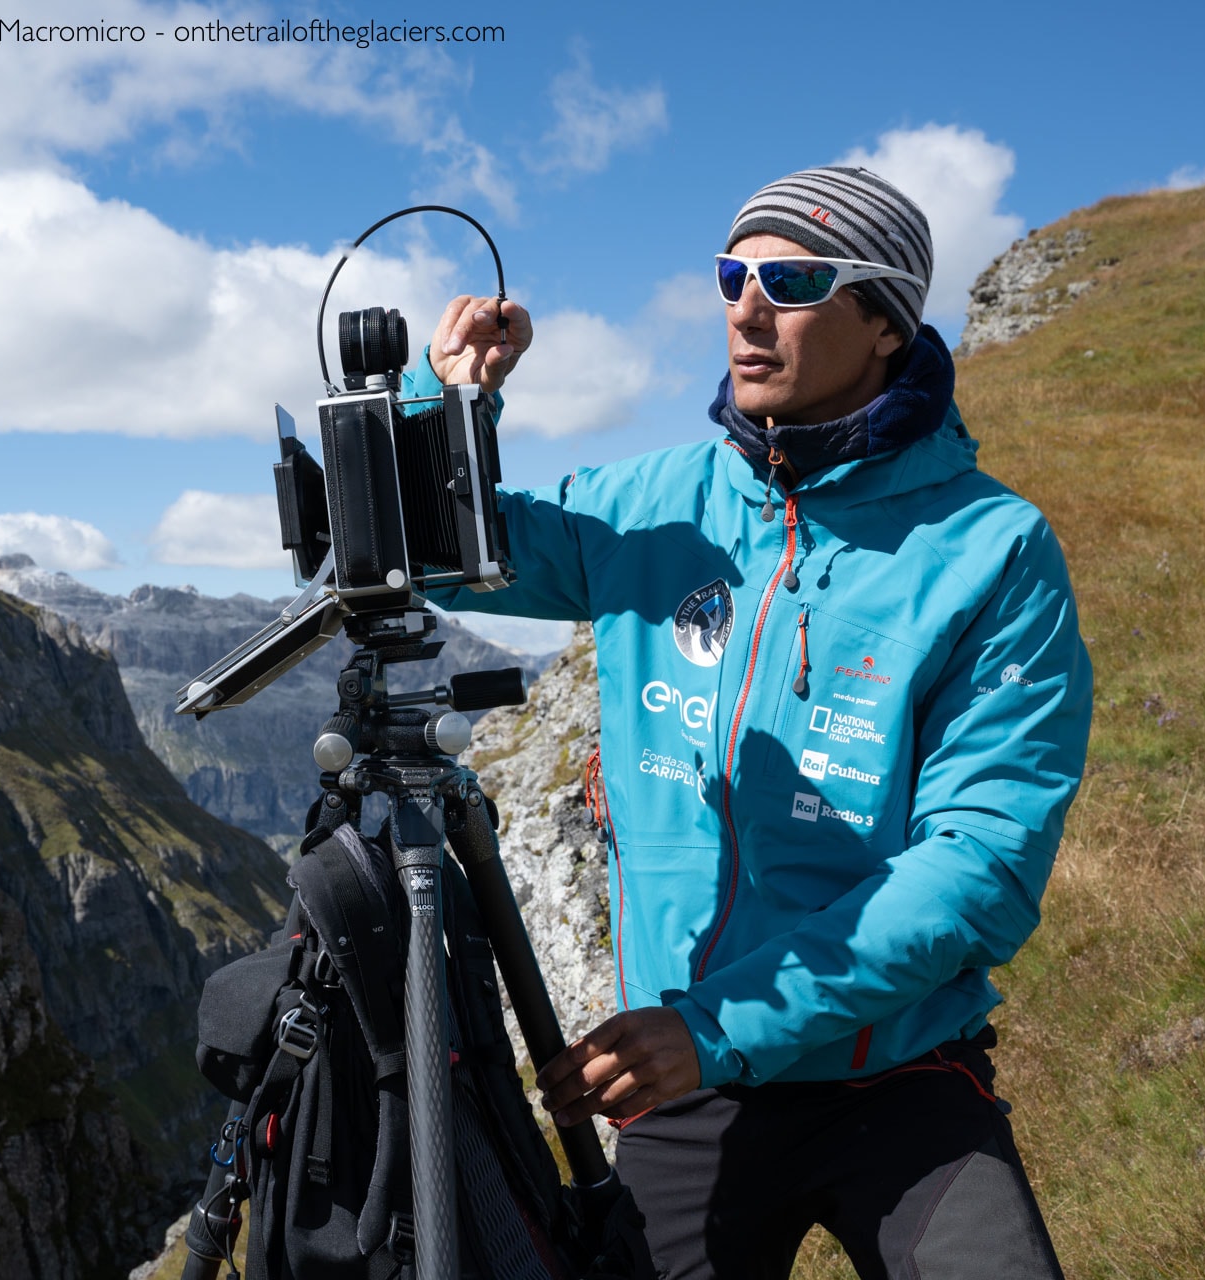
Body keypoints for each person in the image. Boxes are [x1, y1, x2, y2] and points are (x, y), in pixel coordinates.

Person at [403, 167, 1093, 1279]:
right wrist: (447, 404)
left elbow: (979, 866)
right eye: (732, 273)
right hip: (691, 1077)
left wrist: (721, 1026)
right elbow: (447, 562)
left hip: (897, 1070)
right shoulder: (656, 502)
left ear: (884, 322)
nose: (744, 304)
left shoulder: (992, 550)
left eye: (793, 278)